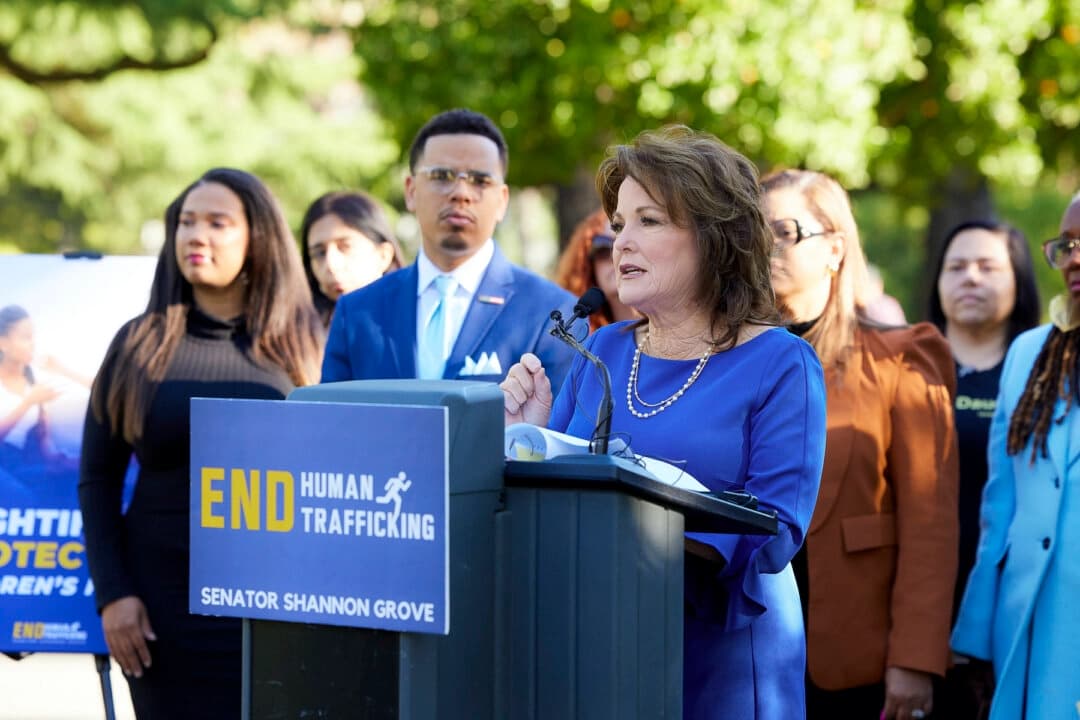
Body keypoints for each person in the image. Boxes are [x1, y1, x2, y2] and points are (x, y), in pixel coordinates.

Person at [501, 126, 827, 720]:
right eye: (619, 223)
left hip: (721, 658)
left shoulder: (781, 363)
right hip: (603, 645)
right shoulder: (605, 349)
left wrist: (647, 528)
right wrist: (530, 437)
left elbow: (776, 528)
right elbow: (562, 499)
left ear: (714, 236)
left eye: (648, 221)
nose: (619, 240)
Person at [78, 168, 323, 719]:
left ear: (257, 238)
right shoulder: (138, 344)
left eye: (217, 223)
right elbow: (97, 479)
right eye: (186, 222)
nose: (196, 236)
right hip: (159, 614)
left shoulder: (305, 345)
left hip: (276, 610)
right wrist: (113, 596)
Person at [762, 169, 959, 720]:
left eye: (784, 231)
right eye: (753, 232)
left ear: (834, 249)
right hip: (748, 646)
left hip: (857, 656)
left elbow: (931, 526)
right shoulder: (726, 358)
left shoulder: (901, 357)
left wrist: (915, 658)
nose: (765, 247)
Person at [320, 108, 575, 389]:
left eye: (480, 181)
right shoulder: (357, 314)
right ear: (411, 190)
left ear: (502, 200)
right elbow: (330, 426)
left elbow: (558, 429)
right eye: (442, 176)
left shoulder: (551, 313)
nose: (461, 193)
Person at [951, 194, 1080, 720]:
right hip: (1023, 632)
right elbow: (998, 509)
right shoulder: (1030, 354)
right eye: (1067, 245)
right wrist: (976, 636)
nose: (1073, 258)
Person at [299, 190, 405, 327]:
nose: (331, 264)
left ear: (383, 255)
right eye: (319, 253)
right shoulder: (297, 335)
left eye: (345, 247)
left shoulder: (420, 322)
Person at [554, 208, 638, 331]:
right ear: (587, 266)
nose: (616, 256)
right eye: (603, 249)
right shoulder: (582, 340)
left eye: (627, 246)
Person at [0, 305, 60, 469]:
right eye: (25, 337)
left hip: (23, 464)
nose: (32, 344)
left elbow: (47, 452)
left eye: (33, 337)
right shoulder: (32, 396)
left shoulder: (36, 384)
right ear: (3, 343)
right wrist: (27, 403)